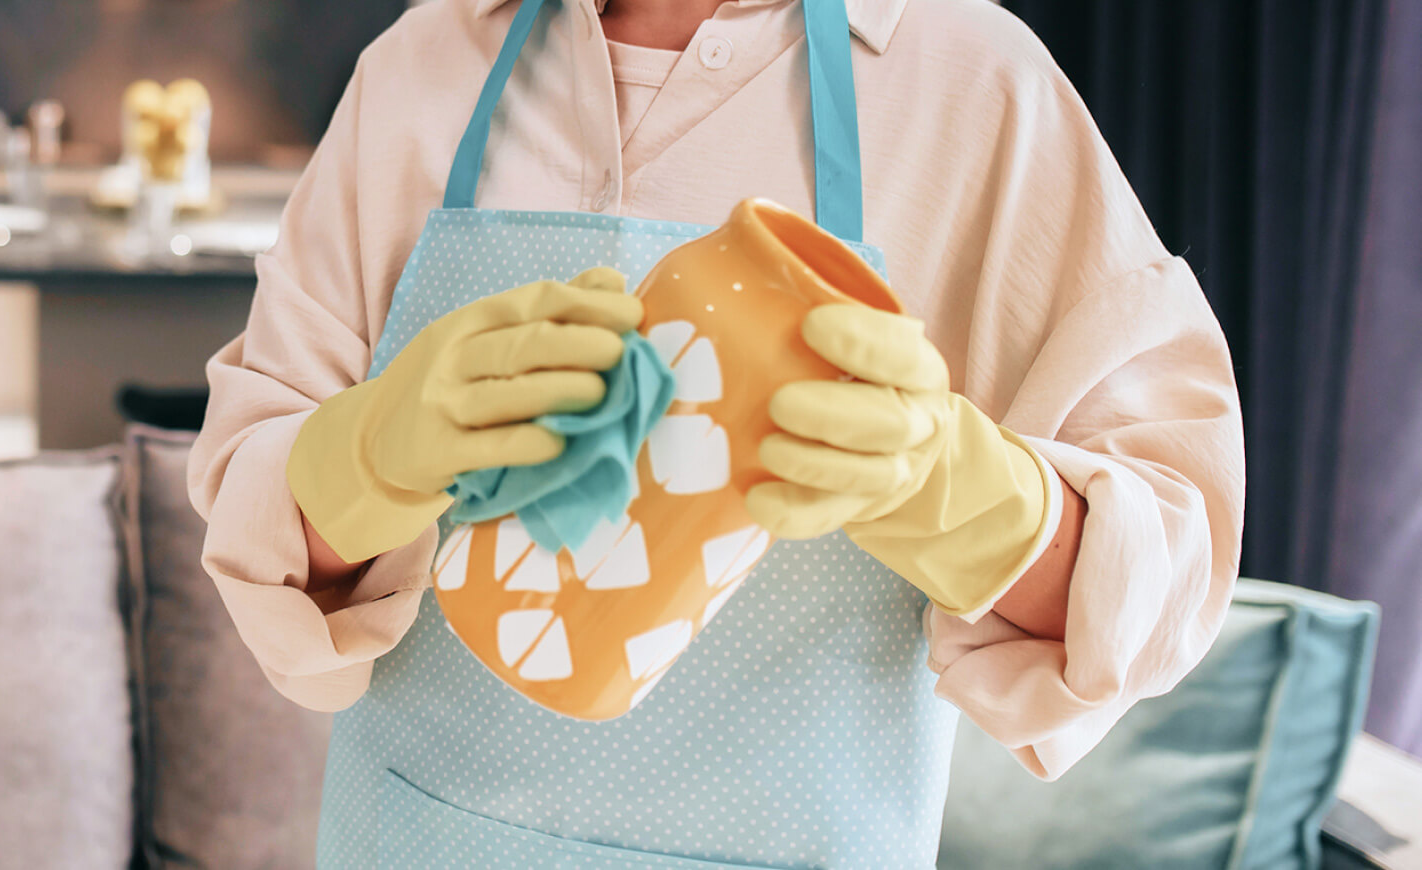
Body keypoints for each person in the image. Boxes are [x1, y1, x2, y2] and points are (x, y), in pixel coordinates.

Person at [186, 0, 1246, 866]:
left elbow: (1160, 588)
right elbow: (264, 563)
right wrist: (367, 453)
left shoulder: (973, 82)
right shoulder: (420, 64)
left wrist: (953, 488)